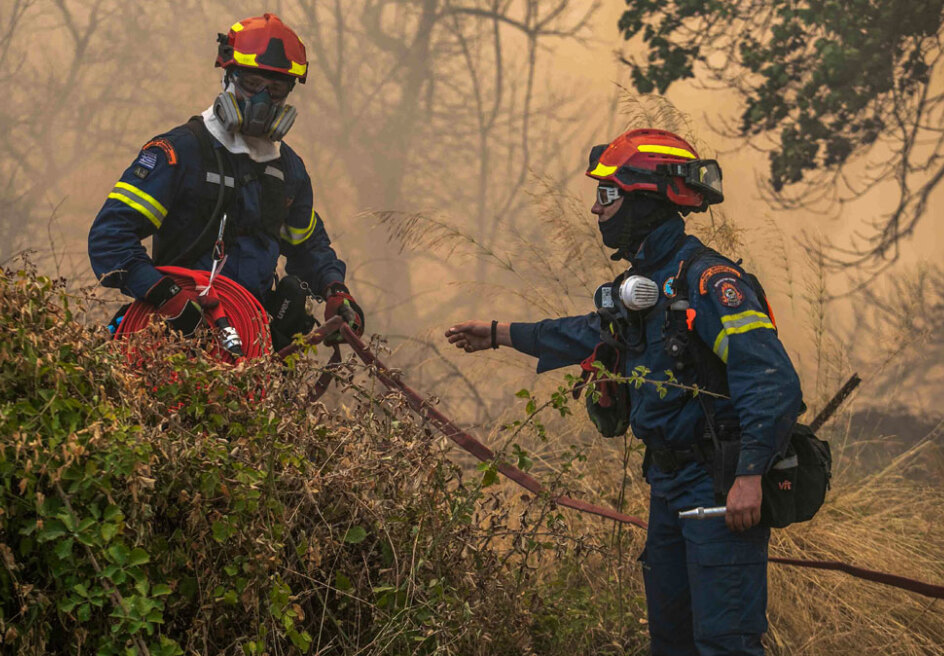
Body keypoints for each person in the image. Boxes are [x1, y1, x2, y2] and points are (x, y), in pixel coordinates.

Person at [445, 129, 803, 655]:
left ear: (645, 200)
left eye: (607, 196)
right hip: (668, 484)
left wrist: (749, 476)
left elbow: (771, 383)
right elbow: (586, 332)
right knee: (671, 643)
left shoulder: (709, 282)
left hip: (718, 487)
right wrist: (499, 332)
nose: (595, 210)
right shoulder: (644, 283)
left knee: (724, 645)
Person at [88, 13, 363, 348]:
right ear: (227, 78)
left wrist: (335, 290)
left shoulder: (287, 170)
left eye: (275, 89)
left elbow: (308, 246)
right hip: (175, 334)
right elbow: (110, 237)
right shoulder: (180, 152)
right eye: (251, 84)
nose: (262, 101)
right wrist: (165, 296)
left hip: (252, 337)